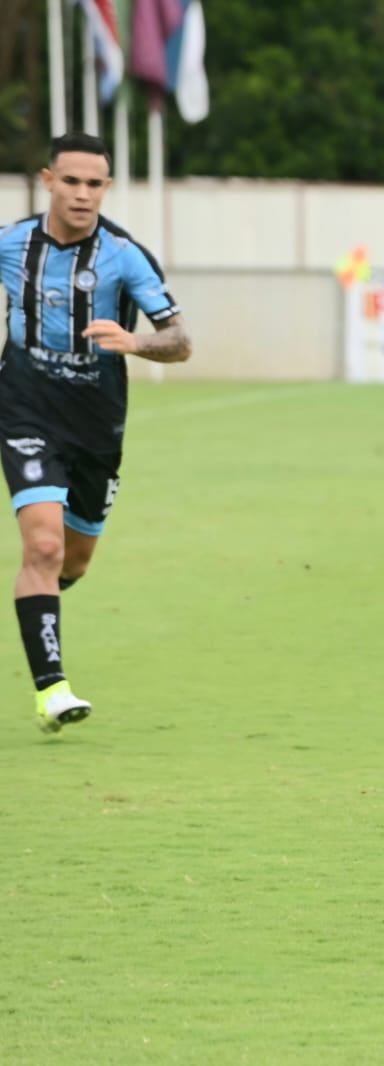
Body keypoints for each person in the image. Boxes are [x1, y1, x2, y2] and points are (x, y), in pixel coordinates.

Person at [0, 132, 191, 732]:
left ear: (106, 187)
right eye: (72, 181)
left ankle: (40, 602)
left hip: (96, 425)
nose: (82, 194)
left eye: (95, 184)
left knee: (73, 562)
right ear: (48, 179)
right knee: (44, 547)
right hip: (24, 409)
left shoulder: (124, 255)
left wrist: (135, 341)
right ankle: (51, 689)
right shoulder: (12, 245)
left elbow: (180, 340)